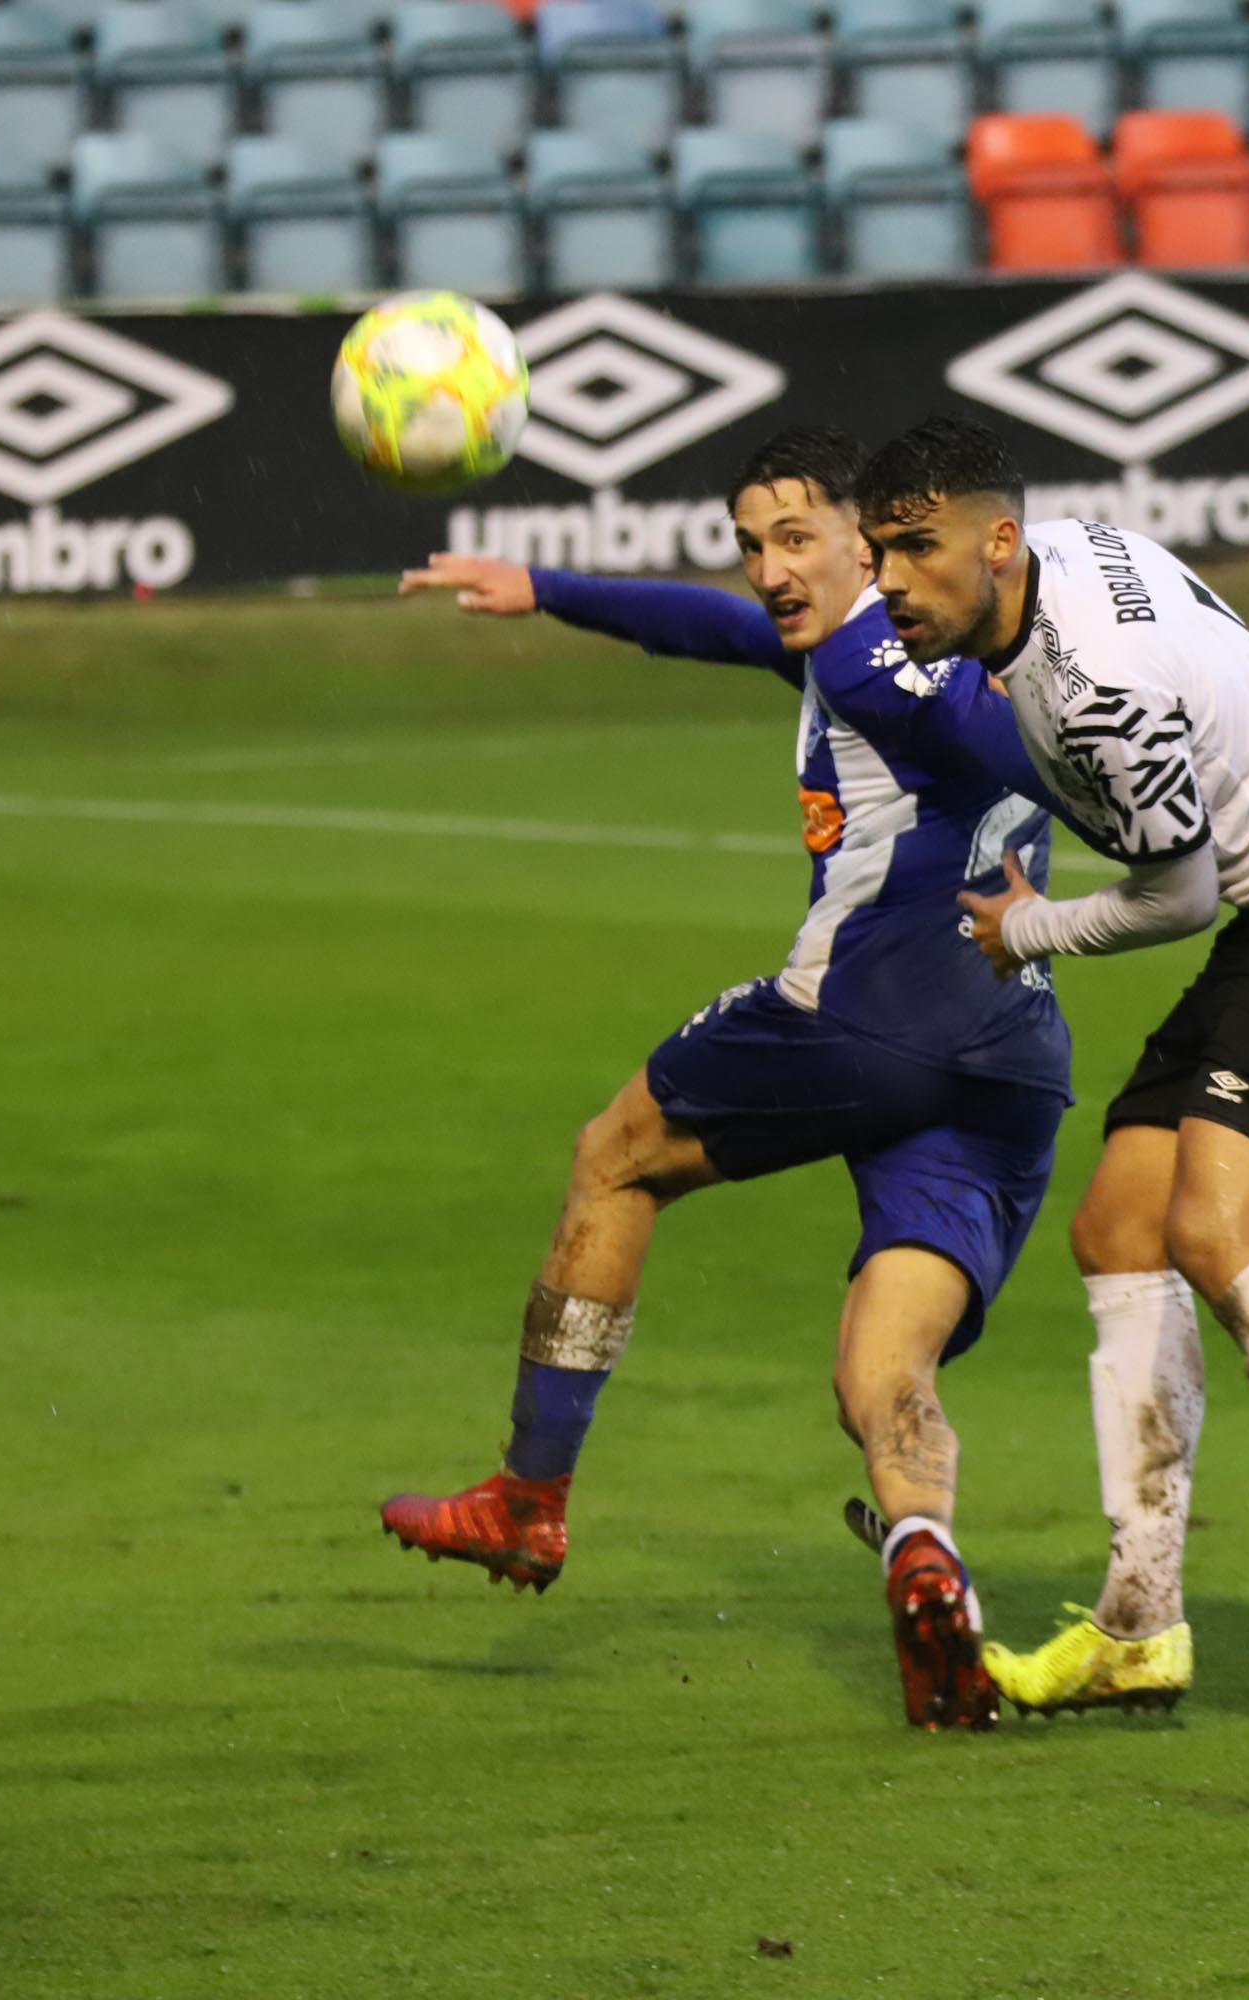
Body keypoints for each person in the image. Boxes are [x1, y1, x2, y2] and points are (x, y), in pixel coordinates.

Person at [381, 427, 1067, 1732]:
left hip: (866, 1017)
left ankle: (528, 1500)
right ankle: (928, 1557)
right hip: (1010, 1051)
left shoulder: (868, 660)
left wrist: (1051, 758)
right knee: (885, 1366)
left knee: (614, 1157)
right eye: (751, 543)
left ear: (872, 541)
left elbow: (953, 722)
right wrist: (549, 588)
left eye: (796, 538)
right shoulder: (936, 634)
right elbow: (722, 629)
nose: (768, 569)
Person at [854, 416, 1249, 1714]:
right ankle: (1138, 1623)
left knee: (1215, 1225)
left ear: (999, 541)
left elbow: (1178, 896)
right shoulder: (1077, 558)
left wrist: (1029, 930)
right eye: (879, 551)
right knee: (1121, 1229)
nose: (892, 581)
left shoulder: (1092, 687)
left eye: (916, 548)